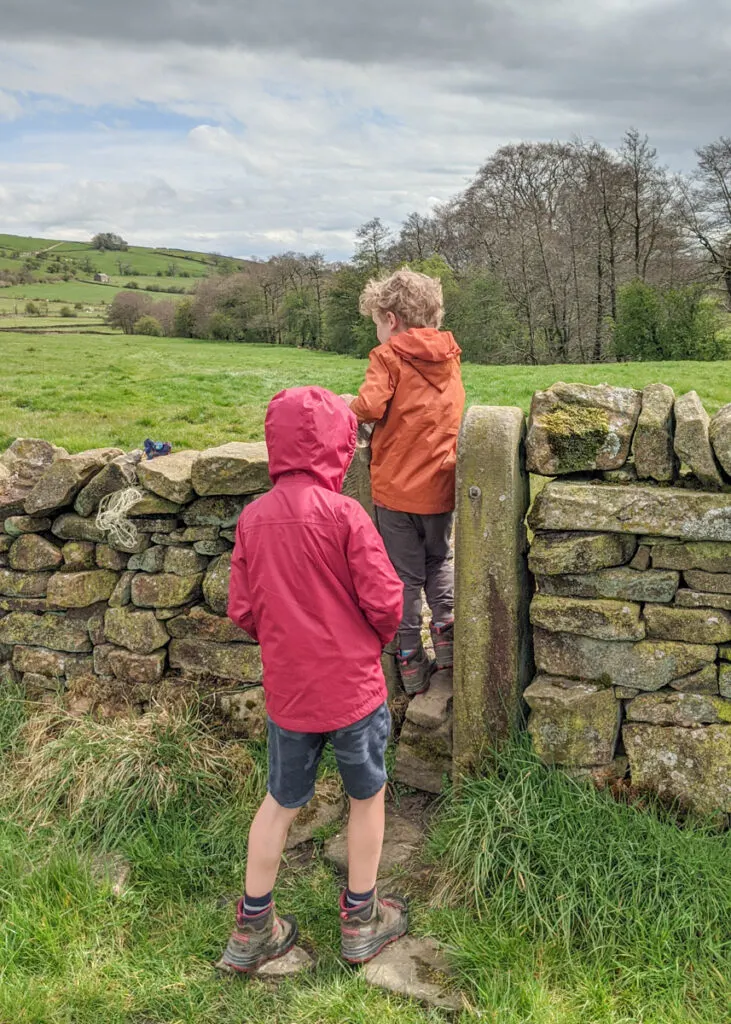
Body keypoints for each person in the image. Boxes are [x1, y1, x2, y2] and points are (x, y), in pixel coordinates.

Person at [217, 385, 407, 975]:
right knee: (366, 799)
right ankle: (360, 920)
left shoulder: (253, 518)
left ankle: (253, 929)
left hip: (290, 693)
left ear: (276, 444)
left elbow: (242, 610)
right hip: (352, 688)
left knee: (280, 801)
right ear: (339, 446)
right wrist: (369, 642)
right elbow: (386, 599)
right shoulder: (346, 513)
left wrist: (284, 643)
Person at [343, 269, 465, 696]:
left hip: (396, 491)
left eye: (377, 323)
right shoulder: (449, 357)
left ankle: (411, 658)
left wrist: (348, 408)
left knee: (404, 576)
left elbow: (371, 406)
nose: (377, 332)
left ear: (391, 319)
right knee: (440, 560)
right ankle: (448, 637)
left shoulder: (389, 356)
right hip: (441, 485)